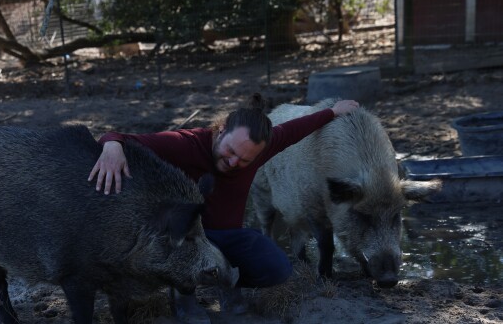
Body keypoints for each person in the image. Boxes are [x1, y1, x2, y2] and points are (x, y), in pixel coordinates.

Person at [88, 94, 359, 323]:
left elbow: (296, 129)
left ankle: (230, 282)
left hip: (228, 236)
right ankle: (184, 294)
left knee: (277, 268)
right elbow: (120, 137)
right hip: (188, 238)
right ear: (220, 131)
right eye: (229, 151)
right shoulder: (185, 143)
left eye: (244, 160)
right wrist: (112, 146)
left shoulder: (263, 146)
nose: (232, 162)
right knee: (182, 248)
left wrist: (333, 112)